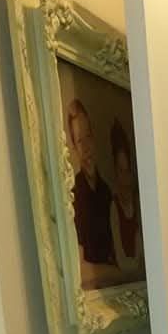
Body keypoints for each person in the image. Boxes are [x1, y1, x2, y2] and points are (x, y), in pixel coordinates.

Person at [66, 99, 122, 290]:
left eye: (88, 137)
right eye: (80, 141)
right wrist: (118, 273)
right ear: (74, 147)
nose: (87, 148)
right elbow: (80, 273)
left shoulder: (106, 192)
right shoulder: (73, 196)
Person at [109, 118, 144, 281]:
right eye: (120, 171)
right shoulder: (114, 208)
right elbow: (122, 261)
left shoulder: (140, 204)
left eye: (127, 170)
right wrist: (136, 264)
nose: (124, 178)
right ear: (116, 173)